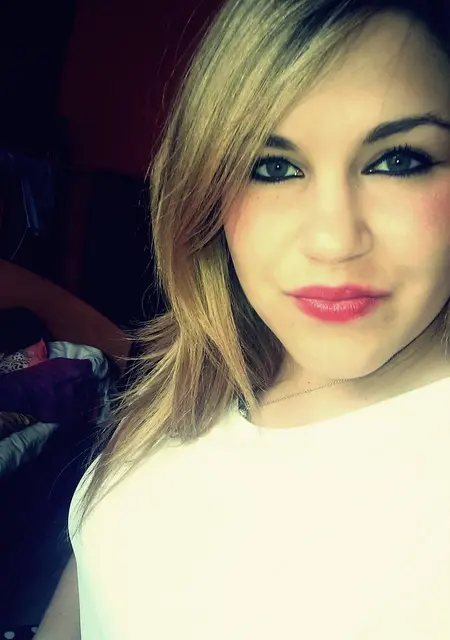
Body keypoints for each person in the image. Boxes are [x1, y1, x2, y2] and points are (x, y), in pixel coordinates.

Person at [36, 0, 450, 637]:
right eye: (273, 168)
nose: (333, 240)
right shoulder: (194, 378)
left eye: (399, 160)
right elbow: (95, 573)